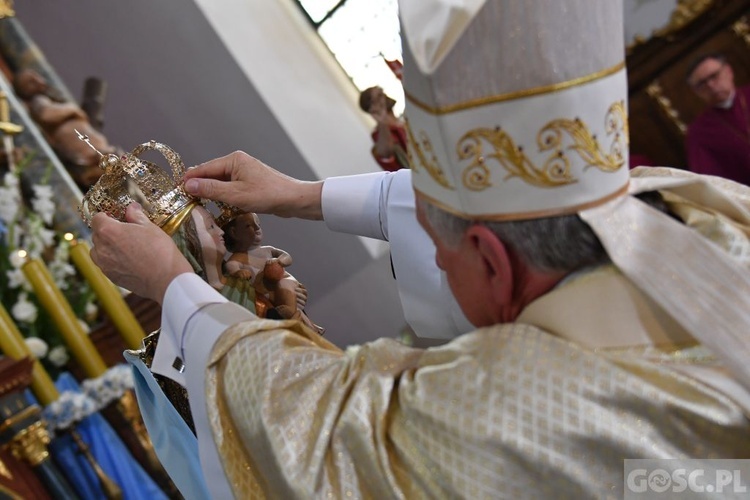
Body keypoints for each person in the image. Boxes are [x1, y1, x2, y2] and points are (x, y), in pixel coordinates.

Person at [89, 1, 750, 498]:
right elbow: (462, 202)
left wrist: (172, 282)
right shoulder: (699, 206)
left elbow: (318, 427)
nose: (429, 260)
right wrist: (299, 195)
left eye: (438, 249)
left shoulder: (516, 407)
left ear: (493, 258)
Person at [13, 68, 120, 188]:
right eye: (31, 82)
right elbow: (46, 115)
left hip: (93, 150)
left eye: (36, 76)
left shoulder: (52, 98)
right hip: (82, 151)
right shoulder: (39, 100)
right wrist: (73, 109)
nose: (38, 81)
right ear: (25, 91)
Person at [222, 211, 323, 333]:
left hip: (285, 283)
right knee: (286, 307)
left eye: (258, 224)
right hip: (268, 295)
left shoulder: (267, 250)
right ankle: (306, 323)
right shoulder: (238, 258)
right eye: (249, 226)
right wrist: (238, 272)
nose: (258, 228)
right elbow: (231, 265)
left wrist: (280, 261)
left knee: (283, 285)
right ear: (234, 233)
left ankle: (293, 313)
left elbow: (287, 257)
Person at [685, 53, 750, 185]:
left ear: (728, 71)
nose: (710, 85)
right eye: (701, 84)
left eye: (714, 76)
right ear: (695, 92)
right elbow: (712, 182)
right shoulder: (698, 133)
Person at [358, 85, 409, 171]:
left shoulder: (405, 119)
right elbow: (386, 152)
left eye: (383, 92)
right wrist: (382, 121)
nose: (385, 96)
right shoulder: (379, 135)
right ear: (372, 108)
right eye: (380, 96)